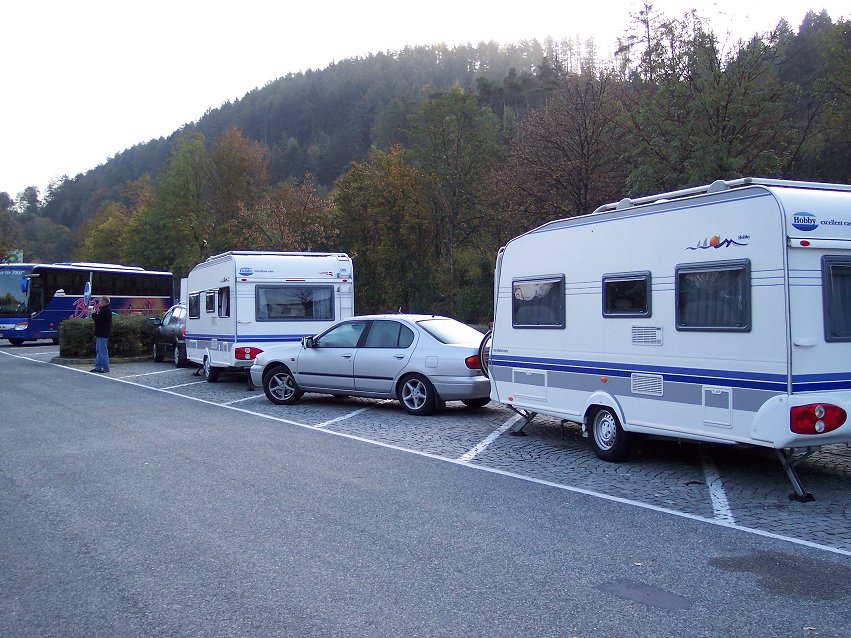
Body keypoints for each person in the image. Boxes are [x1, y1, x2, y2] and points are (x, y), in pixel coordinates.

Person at [90, 296, 113, 373]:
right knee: (99, 351)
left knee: (102, 351)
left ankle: (105, 368)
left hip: (103, 333)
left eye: (101, 301)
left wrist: (94, 314)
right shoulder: (104, 310)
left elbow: (98, 320)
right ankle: (98, 367)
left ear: (105, 302)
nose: (99, 302)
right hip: (101, 333)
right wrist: (95, 313)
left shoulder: (106, 311)